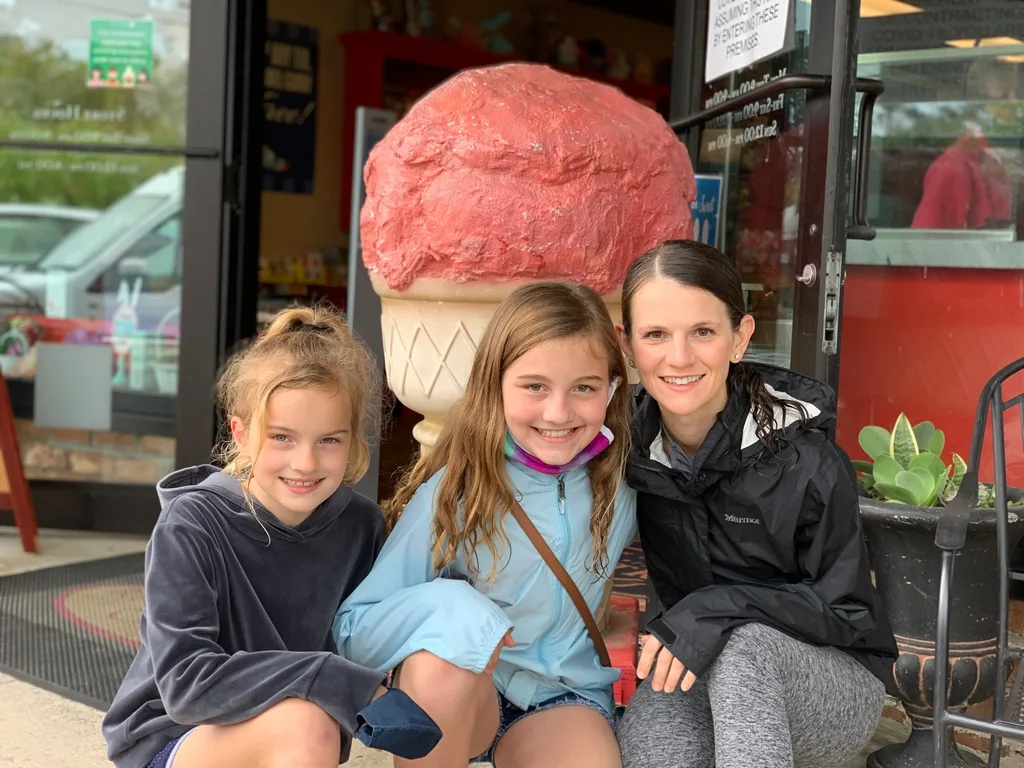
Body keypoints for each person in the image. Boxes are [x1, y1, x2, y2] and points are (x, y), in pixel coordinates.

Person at [102, 306, 440, 768]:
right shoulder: (192, 524)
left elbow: (386, 632)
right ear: (241, 433)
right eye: (282, 437)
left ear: (354, 440)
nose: (305, 462)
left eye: (329, 440)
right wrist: (326, 676)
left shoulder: (361, 525)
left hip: (296, 736)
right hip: (174, 738)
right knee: (306, 724)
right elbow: (186, 685)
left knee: (307, 723)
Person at [614, 240, 898, 768]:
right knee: (653, 754)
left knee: (747, 651)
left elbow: (847, 611)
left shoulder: (807, 460)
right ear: (627, 344)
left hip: (828, 678)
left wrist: (713, 609)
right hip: (695, 658)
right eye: (656, 335)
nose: (679, 357)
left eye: (703, 331)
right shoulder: (625, 447)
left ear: (739, 337)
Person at [332, 282, 637, 767]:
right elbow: (354, 632)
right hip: (464, 692)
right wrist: (455, 609)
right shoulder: (455, 491)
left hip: (560, 695)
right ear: (495, 383)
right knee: (436, 667)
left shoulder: (624, 481)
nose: (558, 413)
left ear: (613, 388)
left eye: (584, 387)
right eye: (534, 386)